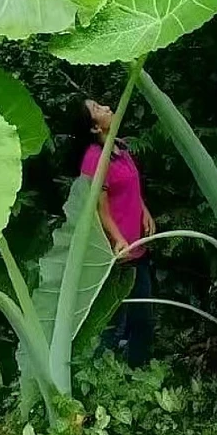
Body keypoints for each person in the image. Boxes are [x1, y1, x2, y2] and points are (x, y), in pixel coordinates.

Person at [74, 97, 156, 367]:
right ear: (94, 127)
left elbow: (131, 186)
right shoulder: (94, 159)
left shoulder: (119, 148)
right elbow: (100, 209)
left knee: (141, 316)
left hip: (137, 246)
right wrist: (118, 239)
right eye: (98, 109)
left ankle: (136, 370)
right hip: (118, 253)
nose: (107, 107)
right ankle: (100, 371)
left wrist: (144, 210)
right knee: (112, 319)